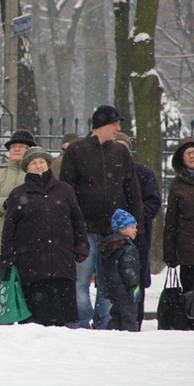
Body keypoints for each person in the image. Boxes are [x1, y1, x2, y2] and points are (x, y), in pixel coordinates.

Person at [60, 105, 144, 329]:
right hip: (84, 229)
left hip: (114, 230)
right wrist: (71, 225)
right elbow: (66, 191)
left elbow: (132, 189)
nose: (118, 128)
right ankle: (80, 323)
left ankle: (106, 324)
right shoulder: (76, 151)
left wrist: (137, 224)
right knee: (81, 281)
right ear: (101, 126)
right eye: (115, 124)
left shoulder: (121, 152)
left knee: (110, 283)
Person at [0, 147, 88, 327]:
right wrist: (9, 256)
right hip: (32, 262)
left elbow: (77, 220)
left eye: (42, 162)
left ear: (48, 164)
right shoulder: (18, 194)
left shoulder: (65, 190)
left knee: (65, 316)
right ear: (26, 168)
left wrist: (81, 247)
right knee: (36, 318)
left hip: (62, 259)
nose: (38, 166)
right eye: (33, 163)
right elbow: (9, 228)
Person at [114, 132, 161, 329]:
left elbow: (153, 201)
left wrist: (134, 222)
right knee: (111, 278)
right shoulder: (101, 173)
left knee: (135, 278)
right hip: (110, 236)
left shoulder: (143, 172)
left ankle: (135, 321)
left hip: (138, 235)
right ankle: (112, 321)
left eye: (123, 147)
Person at [0, 129, 37, 283]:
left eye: (21, 146)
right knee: (6, 290)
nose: (16, 149)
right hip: (3, 242)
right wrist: (6, 203)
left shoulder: (37, 172)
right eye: (13, 146)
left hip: (31, 243)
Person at [163, 138, 194, 303]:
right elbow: (171, 219)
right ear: (181, 159)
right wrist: (169, 253)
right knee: (189, 293)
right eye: (187, 154)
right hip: (187, 245)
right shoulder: (177, 184)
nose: (191, 156)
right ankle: (189, 326)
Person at [98, 209, 141, 332]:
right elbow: (128, 270)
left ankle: (112, 336)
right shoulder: (127, 248)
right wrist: (134, 288)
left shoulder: (111, 246)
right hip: (126, 291)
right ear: (122, 230)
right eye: (132, 227)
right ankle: (129, 339)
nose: (136, 230)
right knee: (129, 319)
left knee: (117, 316)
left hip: (114, 290)